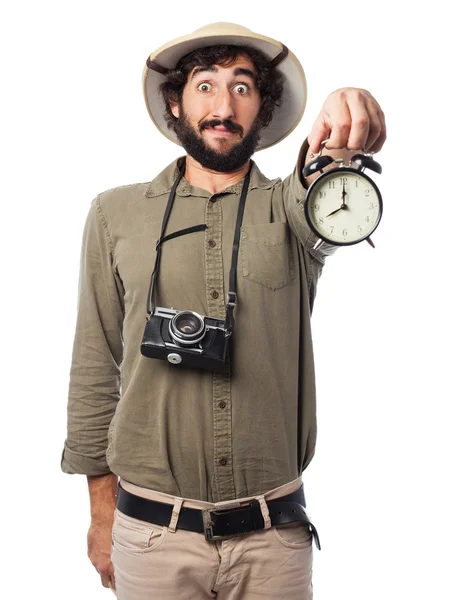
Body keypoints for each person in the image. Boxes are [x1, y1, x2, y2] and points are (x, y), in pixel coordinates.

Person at [61, 22, 386, 600]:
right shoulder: (114, 215)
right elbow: (94, 366)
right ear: (175, 101)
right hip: (152, 538)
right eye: (204, 85)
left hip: (273, 540)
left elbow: (327, 177)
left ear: (262, 109)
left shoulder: (292, 209)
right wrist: (101, 513)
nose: (222, 105)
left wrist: (345, 113)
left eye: (242, 87)